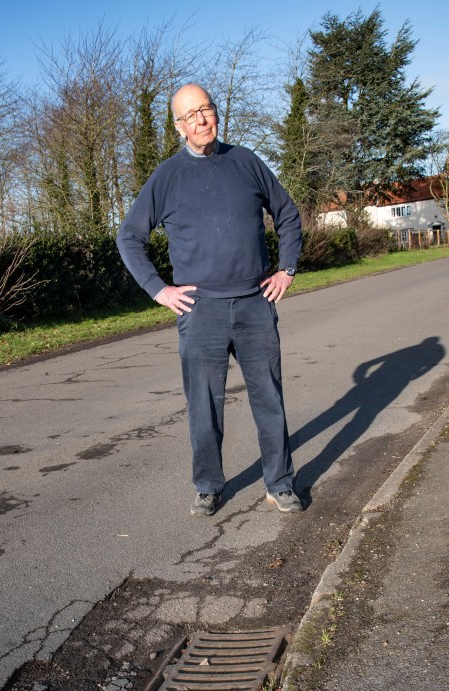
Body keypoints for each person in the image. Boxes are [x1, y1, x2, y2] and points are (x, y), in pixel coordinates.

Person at [116, 83, 303, 517]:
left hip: (256, 303)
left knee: (269, 399)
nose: (201, 120)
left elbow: (288, 214)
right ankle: (207, 485)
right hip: (201, 312)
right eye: (190, 115)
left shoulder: (247, 162)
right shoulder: (167, 176)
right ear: (178, 127)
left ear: (216, 112)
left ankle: (280, 482)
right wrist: (158, 289)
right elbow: (130, 237)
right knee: (204, 406)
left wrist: (286, 269)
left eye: (206, 109)